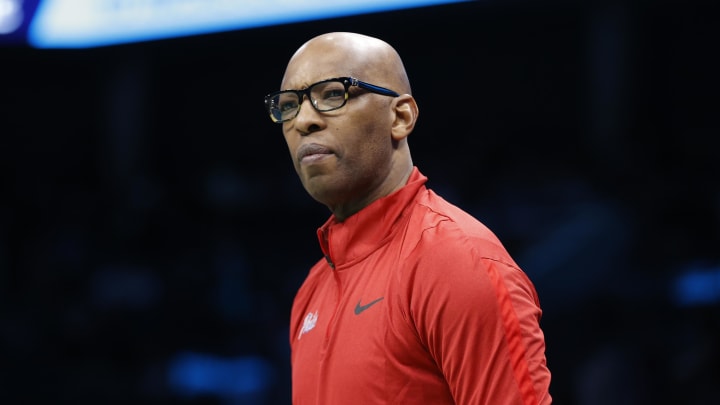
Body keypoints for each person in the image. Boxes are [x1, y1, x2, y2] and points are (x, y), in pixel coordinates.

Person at [264, 32, 552, 404]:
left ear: (400, 117)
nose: (303, 121)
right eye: (288, 105)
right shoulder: (311, 289)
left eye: (333, 94)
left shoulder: (457, 262)